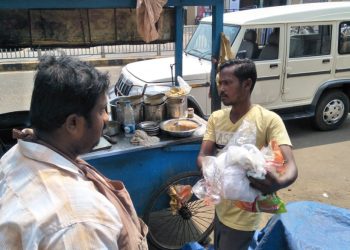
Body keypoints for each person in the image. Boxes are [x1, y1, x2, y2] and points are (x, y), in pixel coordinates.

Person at [0, 55, 148, 249]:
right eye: (102, 110)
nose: (105, 118)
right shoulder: (81, 223)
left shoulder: (16, 155)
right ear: (73, 123)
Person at [197, 59, 298, 250]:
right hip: (220, 208)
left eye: (227, 83)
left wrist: (279, 182)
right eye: (220, 83)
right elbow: (203, 155)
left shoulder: (268, 121)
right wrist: (210, 171)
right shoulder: (216, 119)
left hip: (245, 216)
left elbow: (291, 166)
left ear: (247, 84)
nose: (221, 89)